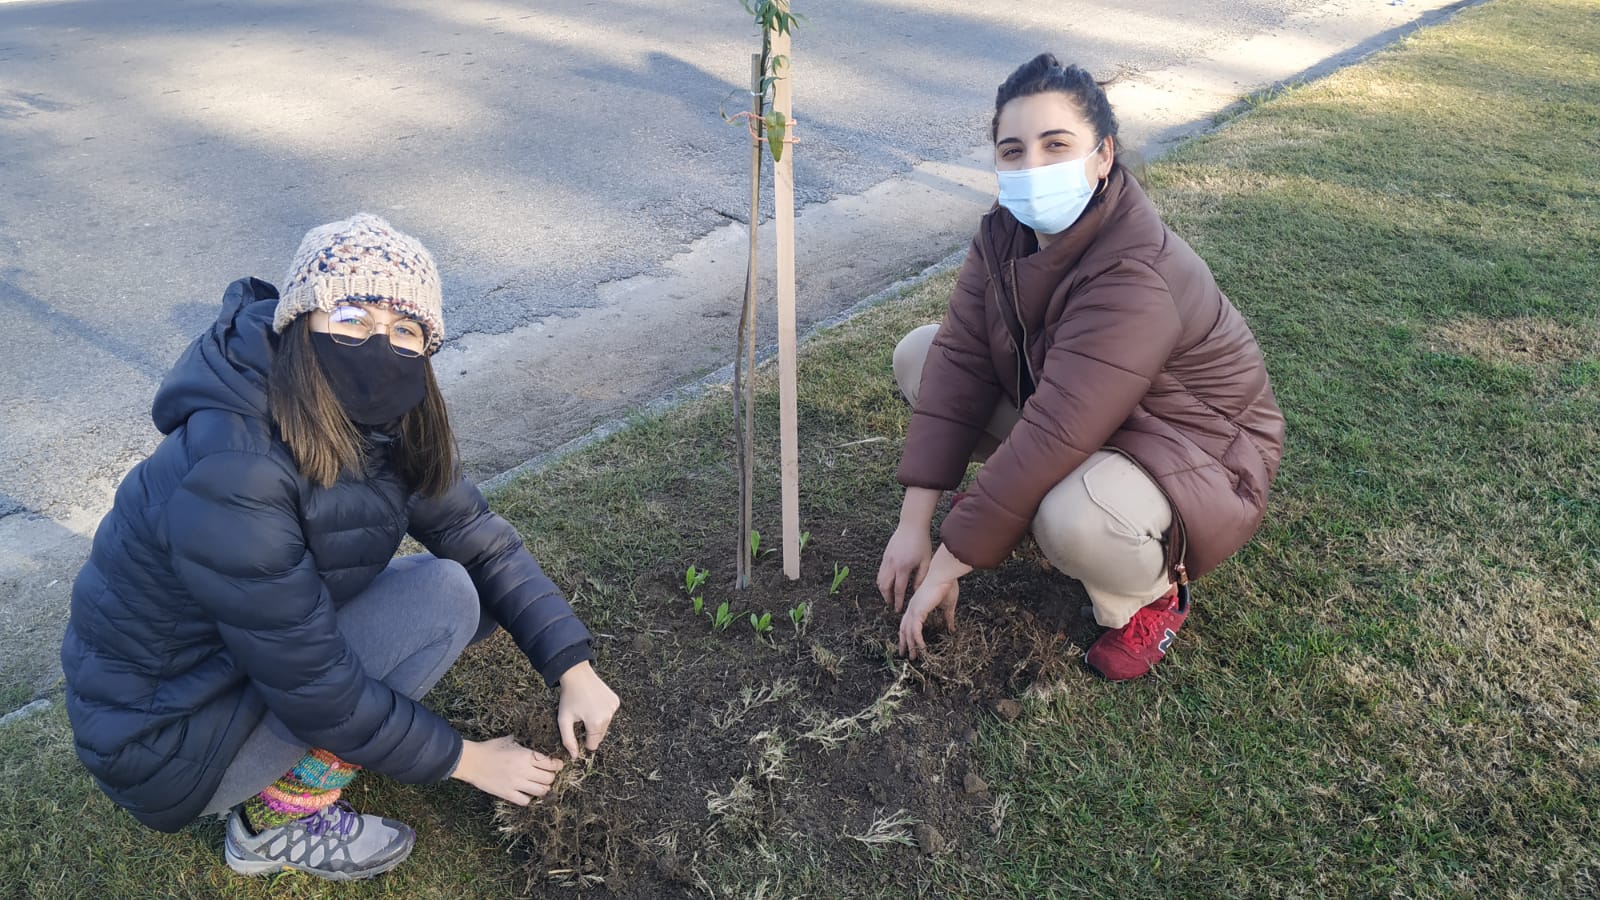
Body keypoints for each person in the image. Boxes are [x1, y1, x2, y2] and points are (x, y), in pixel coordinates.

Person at [61, 214, 621, 880]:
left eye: (405, 330)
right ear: (301, 325)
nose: (378, 345)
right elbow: (317, 690)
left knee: (454, 588)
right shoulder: (236, 469)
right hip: (164, 737)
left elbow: (479, 540)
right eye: (352, 317)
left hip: (229, 668)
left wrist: (572, 668)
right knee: (436, 605)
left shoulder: (384, 424)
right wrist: (469, 761)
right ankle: (271, 826)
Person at [878, 54, 1285, 681]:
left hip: (1196, 452)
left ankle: (1152, 595)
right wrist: (914, 526)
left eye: (1056, 144)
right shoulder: (1002, 234)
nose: (1032, 167)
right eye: (1012, 151)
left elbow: (1056, 431)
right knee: (921, 354)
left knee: (1068, 516)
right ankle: (1045, 497)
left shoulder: (1135, 268)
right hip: (1095, 417)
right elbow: (959, 362)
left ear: (1103, 155)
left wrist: (950, 556)